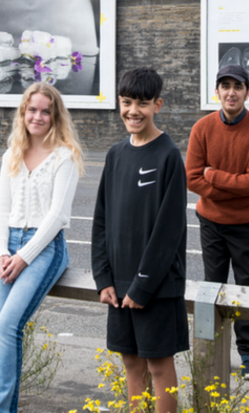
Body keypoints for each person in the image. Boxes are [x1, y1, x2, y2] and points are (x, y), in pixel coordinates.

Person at [0, 83, 83, 413]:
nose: (38, 116)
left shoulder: (65, 156)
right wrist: (2, 252)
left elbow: (58, 216)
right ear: (23, 112)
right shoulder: (11, 154)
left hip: (44, 249)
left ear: (55, 115)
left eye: (46, 111)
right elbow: (0, 210)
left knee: (7, 326)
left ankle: (3, 410)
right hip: (9, 246)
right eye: (32, 110)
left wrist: (22, 256)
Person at [92, 68, 188, 413]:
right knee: (131, 363)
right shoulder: (115, 155)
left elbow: (169, 230)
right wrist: (103, 278)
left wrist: (143, 285)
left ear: (157, 105)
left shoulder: (168, 156)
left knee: (159, 366)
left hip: (155, 286)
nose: (133, 111)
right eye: (127, 102)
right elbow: (101, 219)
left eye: (143, 104)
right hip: (118, 286)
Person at [186, 64, 249, 378]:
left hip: (247, 224)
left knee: (248, 287)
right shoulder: (202, 128)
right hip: (210, 222)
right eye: (225, 86)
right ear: (217, 91)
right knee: (214, 287)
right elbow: (192, 178)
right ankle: (212, 352)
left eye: (237, 86)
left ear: (247, 92)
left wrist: (214, 177)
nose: (231, 92)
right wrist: (230, 188)